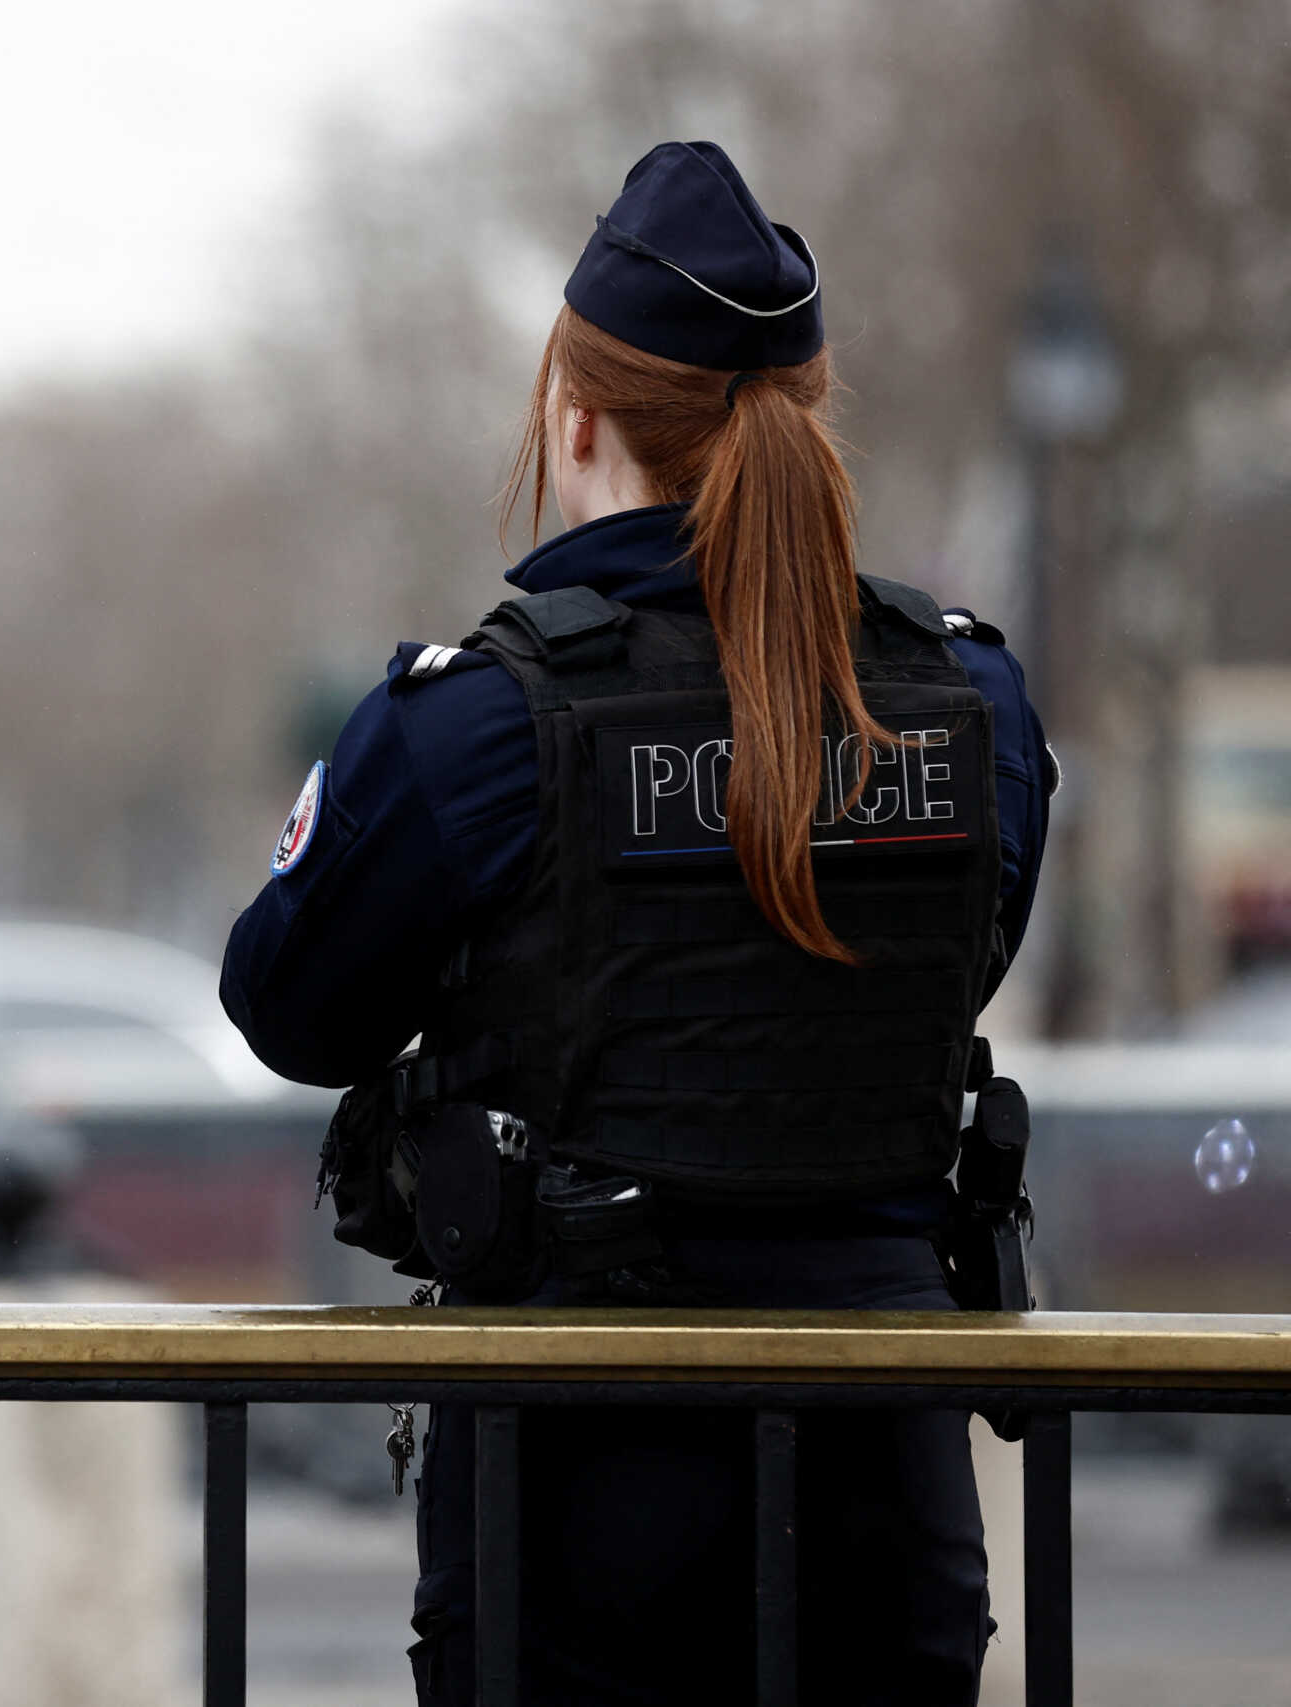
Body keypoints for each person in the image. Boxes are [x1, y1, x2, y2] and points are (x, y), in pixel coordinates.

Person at [220, 142, 1051, 1707]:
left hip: (575, 1481)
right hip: (892, 1476)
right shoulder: (970, 699)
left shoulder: (476, 724)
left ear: (574, 415)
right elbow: (956, 975)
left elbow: (289, 1008)